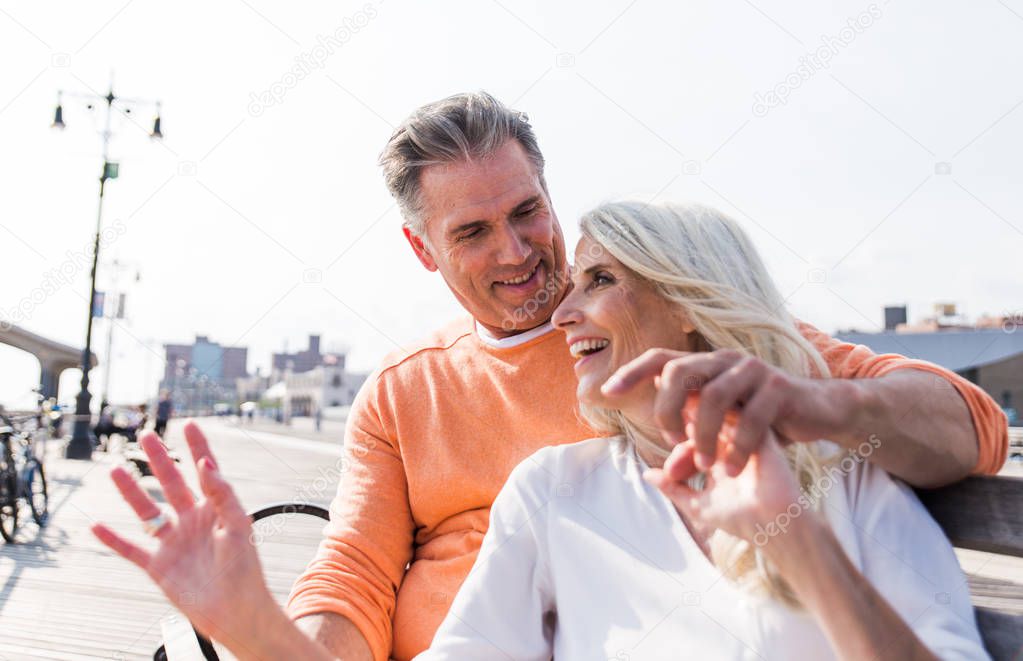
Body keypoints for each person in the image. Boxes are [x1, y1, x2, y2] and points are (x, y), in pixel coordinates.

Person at [90, 92, 1007, 661]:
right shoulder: (411, 397)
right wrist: (261, 632)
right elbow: (353, 584)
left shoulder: (670, 324)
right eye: (473, 231)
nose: (523, 253)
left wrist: (818, 405)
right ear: (422, 250)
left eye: (528, 211)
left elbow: (961, 423)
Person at [419, 201, 987, 659]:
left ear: (689, 303)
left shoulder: (846, 479)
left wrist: (797, 543)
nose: (563, 312)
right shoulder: (552, 490)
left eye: (601, 280)